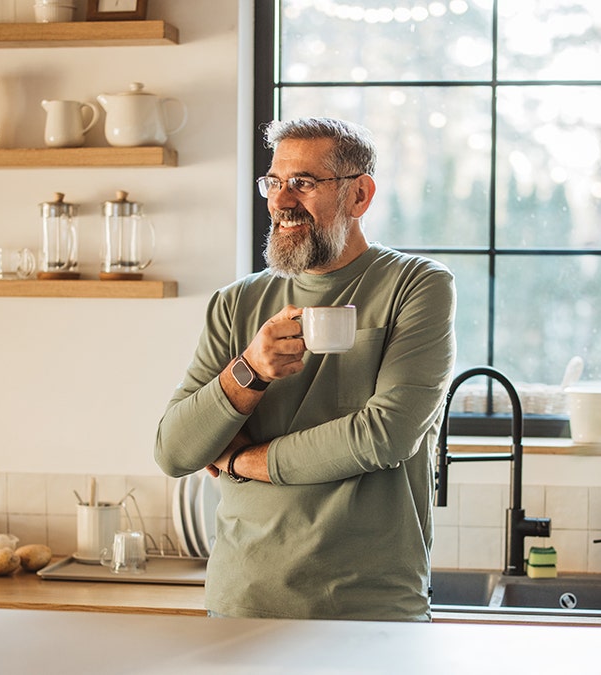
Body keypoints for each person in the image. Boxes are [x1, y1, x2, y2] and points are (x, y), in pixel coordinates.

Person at [154, 117, 456, 621]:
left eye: (304, 183)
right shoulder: (236, 304)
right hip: (242, 605)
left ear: (359, 196)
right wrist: (250, 370)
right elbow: (174, 451)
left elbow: (386, 435)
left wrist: (242, 462)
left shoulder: (416, 286)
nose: (281, 200)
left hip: (372, 610)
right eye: (274, 182)